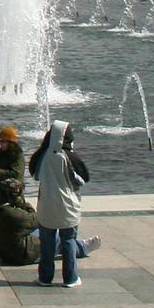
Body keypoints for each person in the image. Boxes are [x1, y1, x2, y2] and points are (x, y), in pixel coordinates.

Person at [30, 120, 100, 288]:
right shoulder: (70, 156)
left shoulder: (41, 156)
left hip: (46, 205)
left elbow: (35, 175)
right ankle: (70, 278)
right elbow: (83, 179)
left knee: (47, 242)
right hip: (67, 206)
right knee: (68, 239)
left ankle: (45, 278)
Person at [0, 176, 41, 266]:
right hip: (22, 256)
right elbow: (38, 220)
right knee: (56, 232)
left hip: (3, 254)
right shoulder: (18, 216)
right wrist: (24, 204)